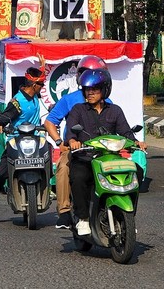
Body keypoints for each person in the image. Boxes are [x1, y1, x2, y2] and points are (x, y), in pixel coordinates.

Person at [66, 69, 147, 236]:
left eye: (94, 90)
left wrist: (137, 142)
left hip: (110, 159)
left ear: (104, 90)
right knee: (78, 177)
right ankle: (83, 218)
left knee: (136, 171)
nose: (90, 93)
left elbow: (126, 133)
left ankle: (128, 216)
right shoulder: (78, 110)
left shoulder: (115, 110)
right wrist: (73, 141)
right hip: (85, 158)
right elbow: (70, 132)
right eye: (87, 90)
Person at [44, 55, 111, 229]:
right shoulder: (69, 99)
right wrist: (60, 142)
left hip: (101, 149)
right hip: (76, 149)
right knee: (64, 167)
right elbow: (50, 122)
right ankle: (65, 211)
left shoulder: (108, 102)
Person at [0, 61, 47, 221]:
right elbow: (6, 116)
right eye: (41, 84)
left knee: (49, 159)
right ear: (33, 85)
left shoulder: (35, 95)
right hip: (17, 142)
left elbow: (36, 75)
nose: (43, 87)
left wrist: (42, 67)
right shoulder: (17, 102)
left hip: (34, 140)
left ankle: (47, 188)